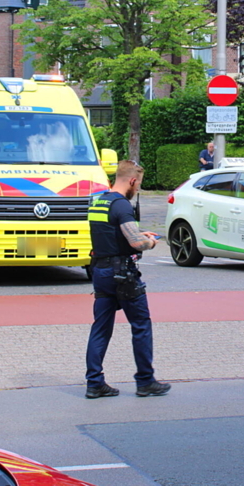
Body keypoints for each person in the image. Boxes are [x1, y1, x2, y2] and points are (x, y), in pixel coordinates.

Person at [85, 160, 170, 399]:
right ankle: (145, 381)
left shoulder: (99, 201)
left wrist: (136, 232)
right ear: (132, 180)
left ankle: (94, 383)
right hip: (122, 275)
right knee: (141, 325)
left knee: (100, 328)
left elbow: (110, 232)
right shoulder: (122, 205)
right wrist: (150, 241)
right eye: (139, 184)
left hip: (100, 272)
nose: (138, 189)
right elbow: (136, 243)